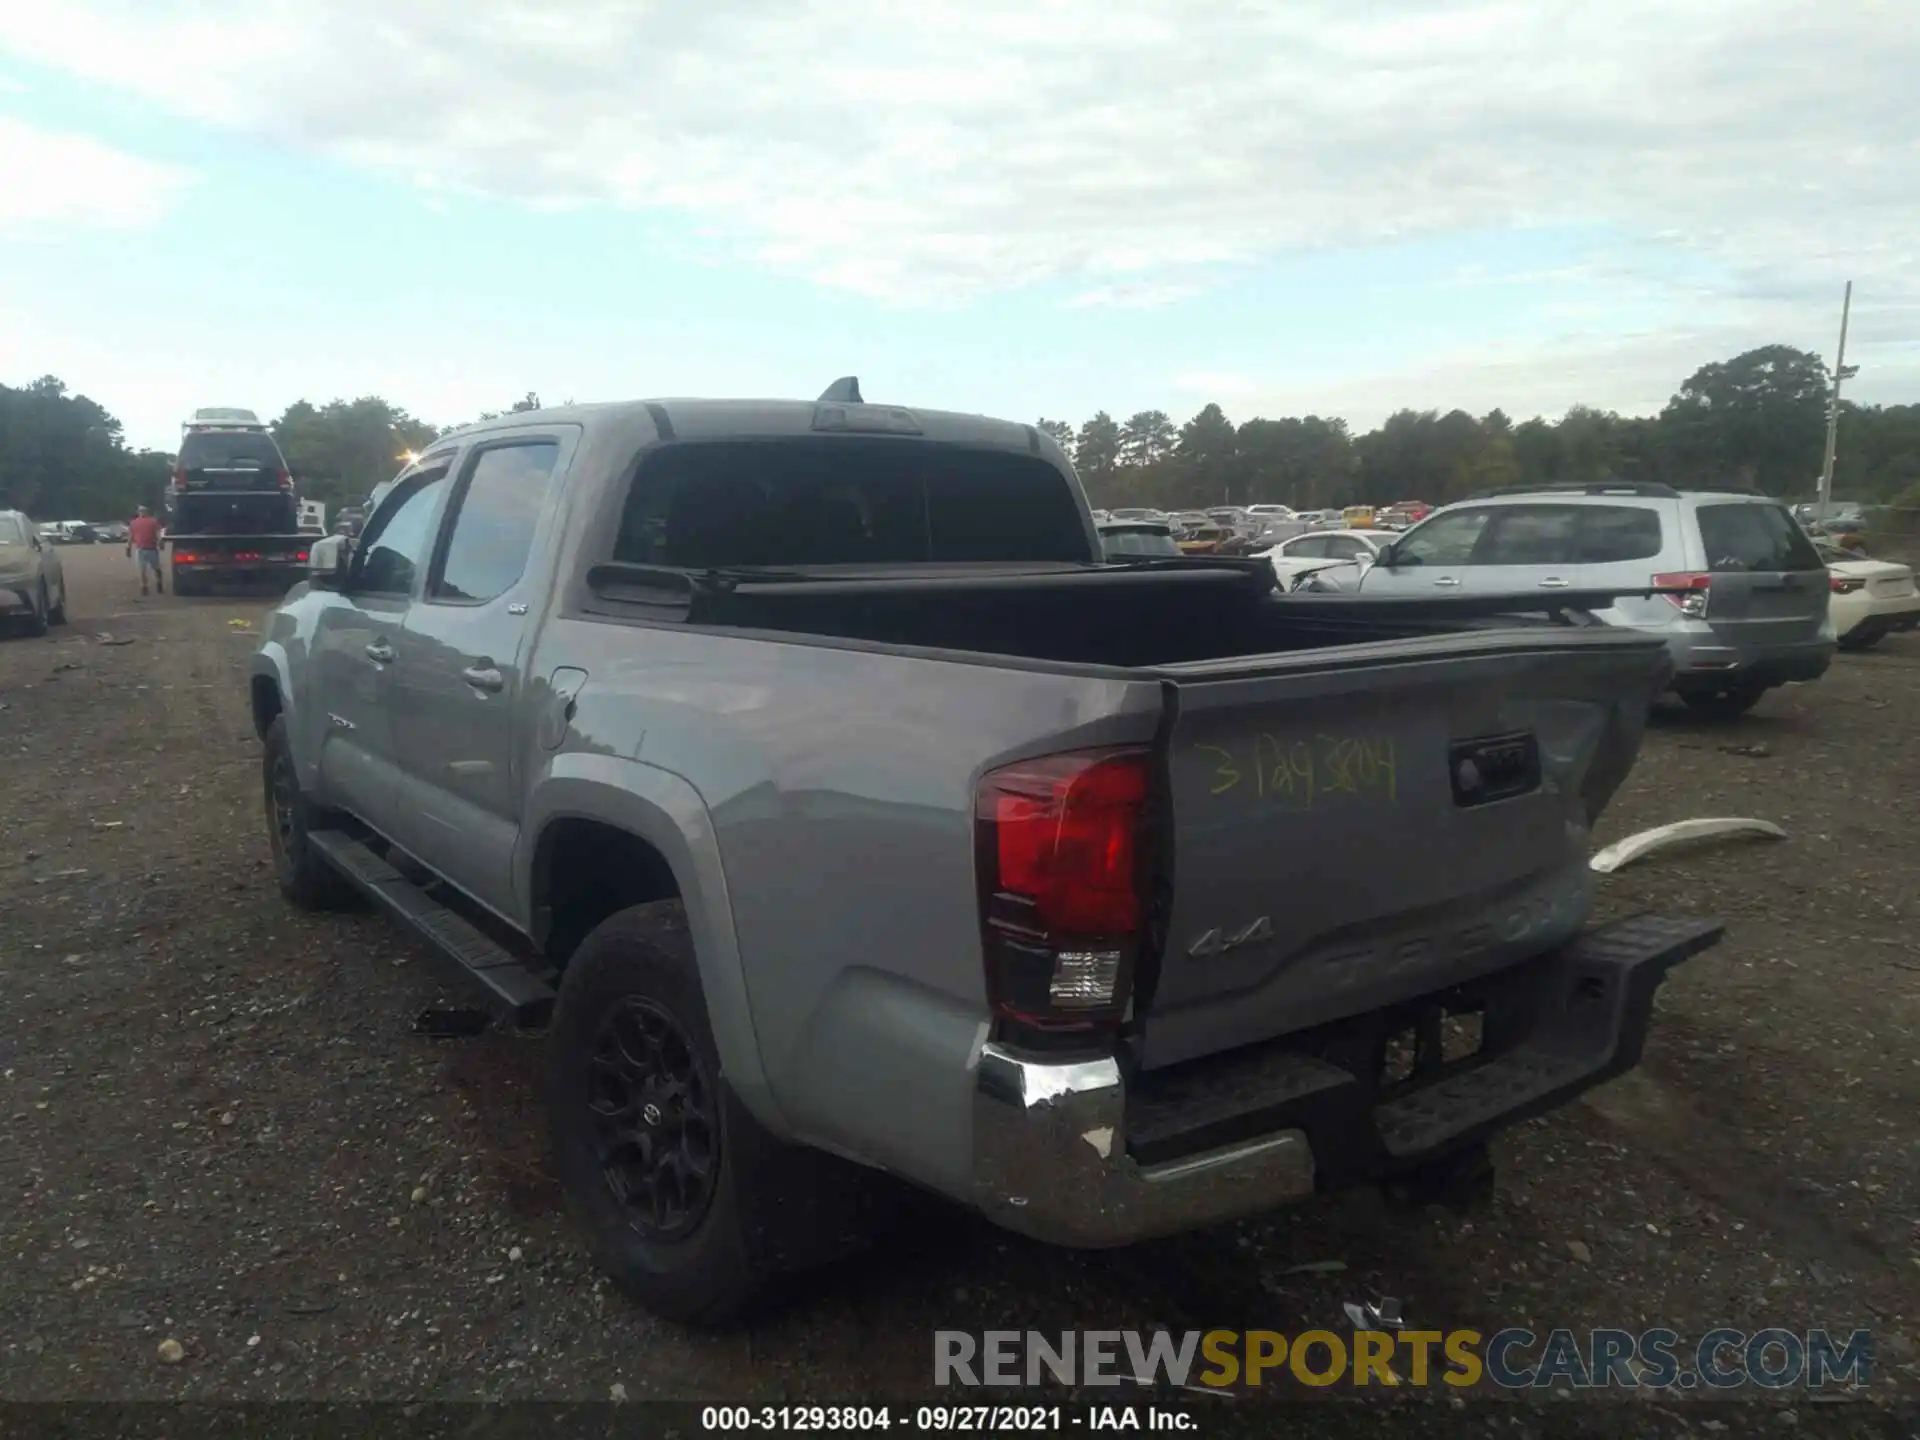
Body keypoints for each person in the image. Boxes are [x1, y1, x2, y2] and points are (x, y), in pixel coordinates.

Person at [128, 506, 164, 595]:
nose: (142, 512)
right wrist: (128, 547)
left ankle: (156, 583)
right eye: (141, 511)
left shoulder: (151, 521)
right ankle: (144, 587)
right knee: (143, 570)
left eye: (143, 511)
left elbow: (157, 533)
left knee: (155, 568)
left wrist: (160, 541)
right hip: (143, 548)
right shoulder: (135, 523)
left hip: (149, 548)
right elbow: (131, 536)